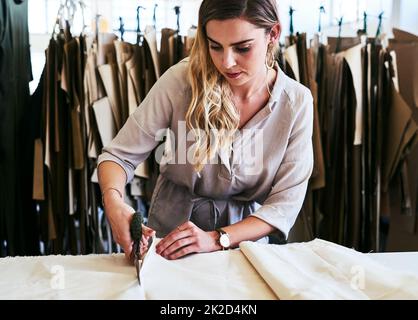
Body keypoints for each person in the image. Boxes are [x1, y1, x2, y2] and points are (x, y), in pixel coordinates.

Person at [97, 0, 313, 261]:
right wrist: (114, 203)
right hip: (171, 241)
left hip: (247, 246)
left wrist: (217, 238)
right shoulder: (179, 81)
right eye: (215, 46)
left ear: (273, 34)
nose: (227, 62)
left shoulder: (296, 102)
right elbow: (118, 157)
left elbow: (284, 205)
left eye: (242, 48)